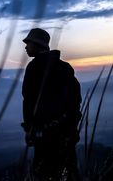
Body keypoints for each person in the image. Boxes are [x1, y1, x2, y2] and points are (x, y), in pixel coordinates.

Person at [21, 28, 82, 180]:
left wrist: (30, 129)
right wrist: (72, 126)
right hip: (66, 132)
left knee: (43, 173)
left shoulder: (33, 68)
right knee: (68, 172)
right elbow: (75, 100)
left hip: (45, 134)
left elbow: (29, 101)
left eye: (28, 43)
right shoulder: (65, 67)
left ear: (37, 45)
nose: (26, 47)